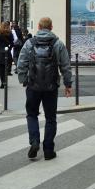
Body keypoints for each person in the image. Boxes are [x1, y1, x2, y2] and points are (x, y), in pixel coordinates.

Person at [17, 16, 72, 161]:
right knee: (50, 118)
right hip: (51, 87)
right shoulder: (58, 43)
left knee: (32, 114)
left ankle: (34, 141)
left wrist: (23, 80)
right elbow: (65, 66)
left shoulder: (30, 43)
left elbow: (21, 63)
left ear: (39, 27)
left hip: (33, 86)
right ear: (51, 27)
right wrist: (68, 84)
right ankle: (48, 150)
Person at [0, 21, 14, 88]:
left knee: (1, 68)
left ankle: (2, 82)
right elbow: (12, 43)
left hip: (0, 51)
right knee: (6, 68)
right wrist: (9, 48)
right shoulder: (9, 33)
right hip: (7, 51)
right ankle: (5, 81)